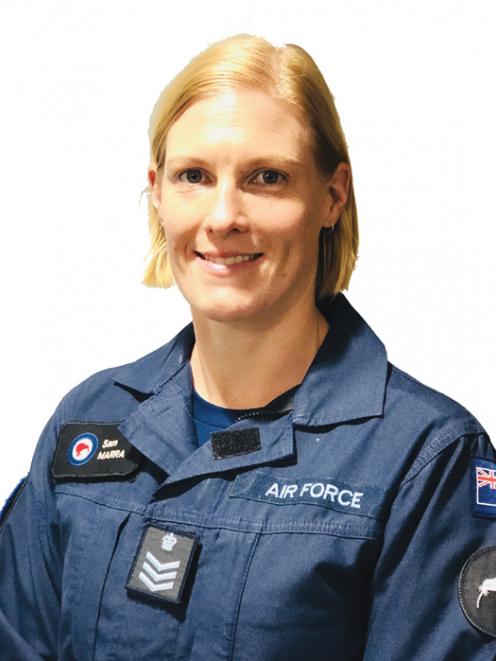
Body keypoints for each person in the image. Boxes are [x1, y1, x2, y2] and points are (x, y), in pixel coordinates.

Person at [0, 32, 494, 661]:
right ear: (158, 193)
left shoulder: (425, 459)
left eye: (267, 178)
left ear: (333, 195)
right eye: (194, 176)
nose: (223, 217)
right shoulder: (90, 421)